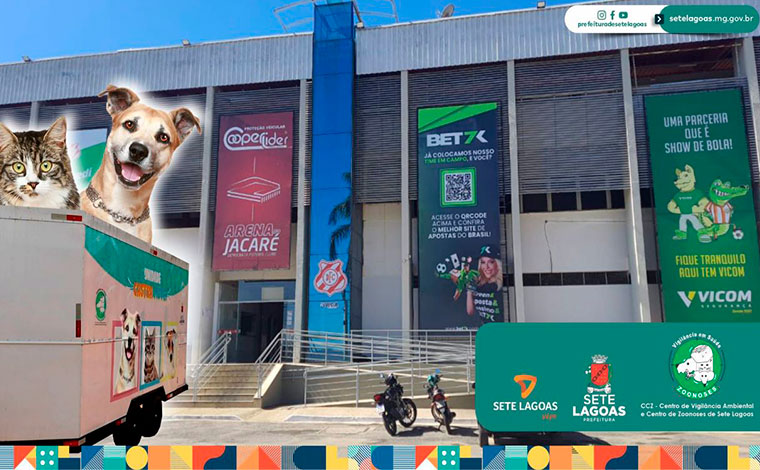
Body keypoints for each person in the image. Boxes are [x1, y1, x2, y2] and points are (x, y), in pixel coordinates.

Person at [466, 244, 503, 323]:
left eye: (491, 262)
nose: (486, 267)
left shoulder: (501, 287)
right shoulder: (479, 285)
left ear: (497, 264)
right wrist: (469, 291)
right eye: (483, 262)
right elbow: (470, 312)